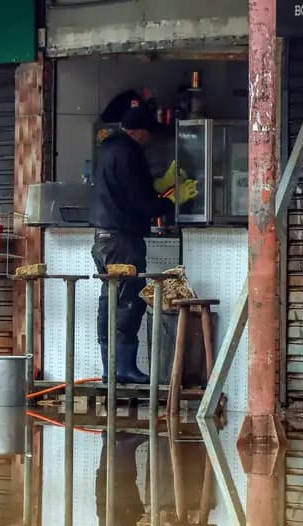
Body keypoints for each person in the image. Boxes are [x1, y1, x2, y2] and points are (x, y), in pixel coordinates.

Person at [89, 102, 197, 384]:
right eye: (149, 134)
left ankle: (112, 369)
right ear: (138, 132)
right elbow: (139, 200)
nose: (150, 140)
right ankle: (121, 369)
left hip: (104, 239)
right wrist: (168, 201)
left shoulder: (110, 148)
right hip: (122, 239)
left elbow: (128, 190)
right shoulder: (129, 151)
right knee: (128, 301)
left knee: (111, 299)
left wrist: (160, 186)